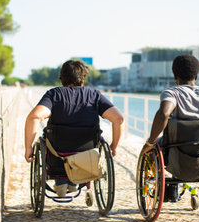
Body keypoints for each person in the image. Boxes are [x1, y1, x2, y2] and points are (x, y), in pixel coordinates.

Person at [140, 54, 199, 198]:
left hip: (175, 158)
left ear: (175, 76)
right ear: (196, 76)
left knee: (149, 150)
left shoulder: (172, 93)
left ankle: (155, 188)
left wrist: (150, 142)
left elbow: (164, 114)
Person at [24, 59, 124, 197]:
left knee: (52, 141)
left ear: (62, 77)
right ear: (83, 78)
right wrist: (114, 146)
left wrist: (28, 147)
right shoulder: (94, 96)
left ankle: (62, 183)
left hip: (57, 153)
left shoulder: (54, 95)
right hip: (87, 156)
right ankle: (74, 183)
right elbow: (118, 119)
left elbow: (34, 117)